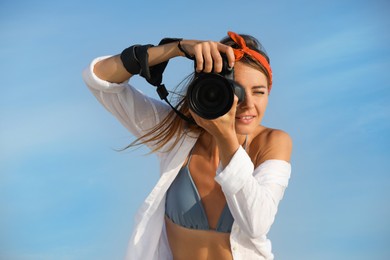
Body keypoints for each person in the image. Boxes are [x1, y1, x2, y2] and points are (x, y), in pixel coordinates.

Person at [82, 31, 292, 260]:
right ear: (213, 89)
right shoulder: (176, 133)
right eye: (237, 92)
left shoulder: (272, 142)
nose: (248, 105)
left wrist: (226, 138)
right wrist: (176, 48)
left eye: (259, 92)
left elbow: (257, 223)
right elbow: (99, 80)